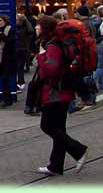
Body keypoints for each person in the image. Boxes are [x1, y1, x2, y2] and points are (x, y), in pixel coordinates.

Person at [32, 15, 89, 177]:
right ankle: (56, 166)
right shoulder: (54, 43)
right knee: (59, 129)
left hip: (55, 93)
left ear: (44, 28)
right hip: (61, 92)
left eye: (38, 25)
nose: (36, 28)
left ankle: (79, 150)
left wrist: (41, 56)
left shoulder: (52, 46)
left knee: (47, 126)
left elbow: (51, 69)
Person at [0, 15, 17, 108]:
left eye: (0, 21)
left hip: (8, 58)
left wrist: (1, 35)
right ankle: (6, 99)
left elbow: (10, 41)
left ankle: (6, 99)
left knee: (5, 78)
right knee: (3, 78)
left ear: (5, 21)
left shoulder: (10, 30)